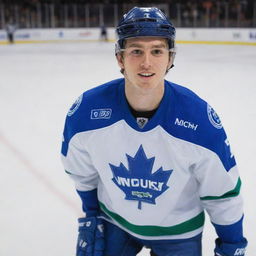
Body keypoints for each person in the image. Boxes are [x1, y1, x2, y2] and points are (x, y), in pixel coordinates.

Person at [61, 7, 248, 256]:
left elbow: (222, 192)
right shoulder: (86, 112)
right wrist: (92, 214)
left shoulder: (198, 119)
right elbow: (81, 172)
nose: (146, 62)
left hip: (179, 231)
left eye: (157, 51)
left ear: (170, 58)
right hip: (115, 222)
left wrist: (232, 245)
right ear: (120, 58)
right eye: (136, 51)